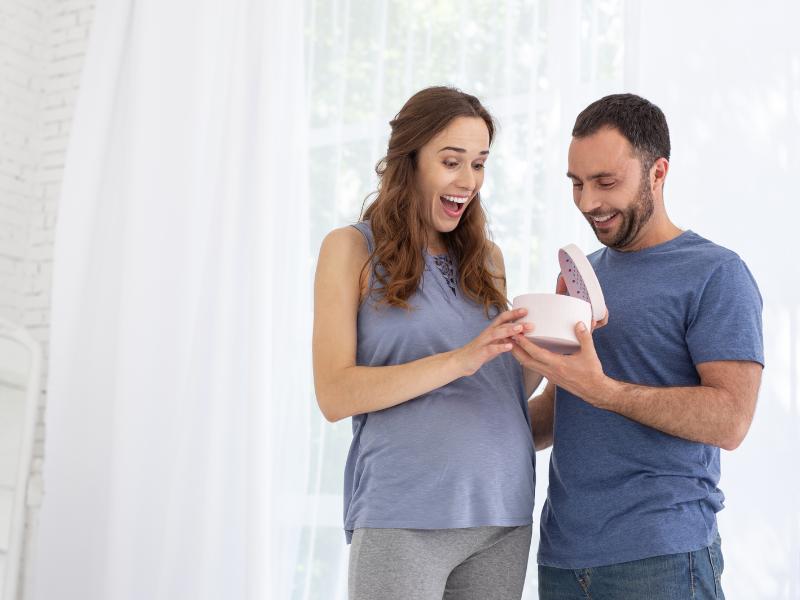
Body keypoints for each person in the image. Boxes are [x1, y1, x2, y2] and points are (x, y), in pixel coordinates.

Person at [512, 93, 764, 600]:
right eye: (577, 185)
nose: (588, 203)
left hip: (661, 558)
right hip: (562, 558)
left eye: (606, 182)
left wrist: (601, 389)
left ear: (657, 172)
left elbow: (731, 420)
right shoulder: (583, 280)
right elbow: (562, 413)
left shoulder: (716, 274)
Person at [312, 86, 541, 600]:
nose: (469, 182)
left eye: (479, 164)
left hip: (502, 511)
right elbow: (334, 393)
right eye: (452, 162)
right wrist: (459, 359)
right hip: (404, 510)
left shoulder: (487, 259)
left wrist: (544, 345)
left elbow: (502, 390)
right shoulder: (351, 249)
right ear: (409, 160)